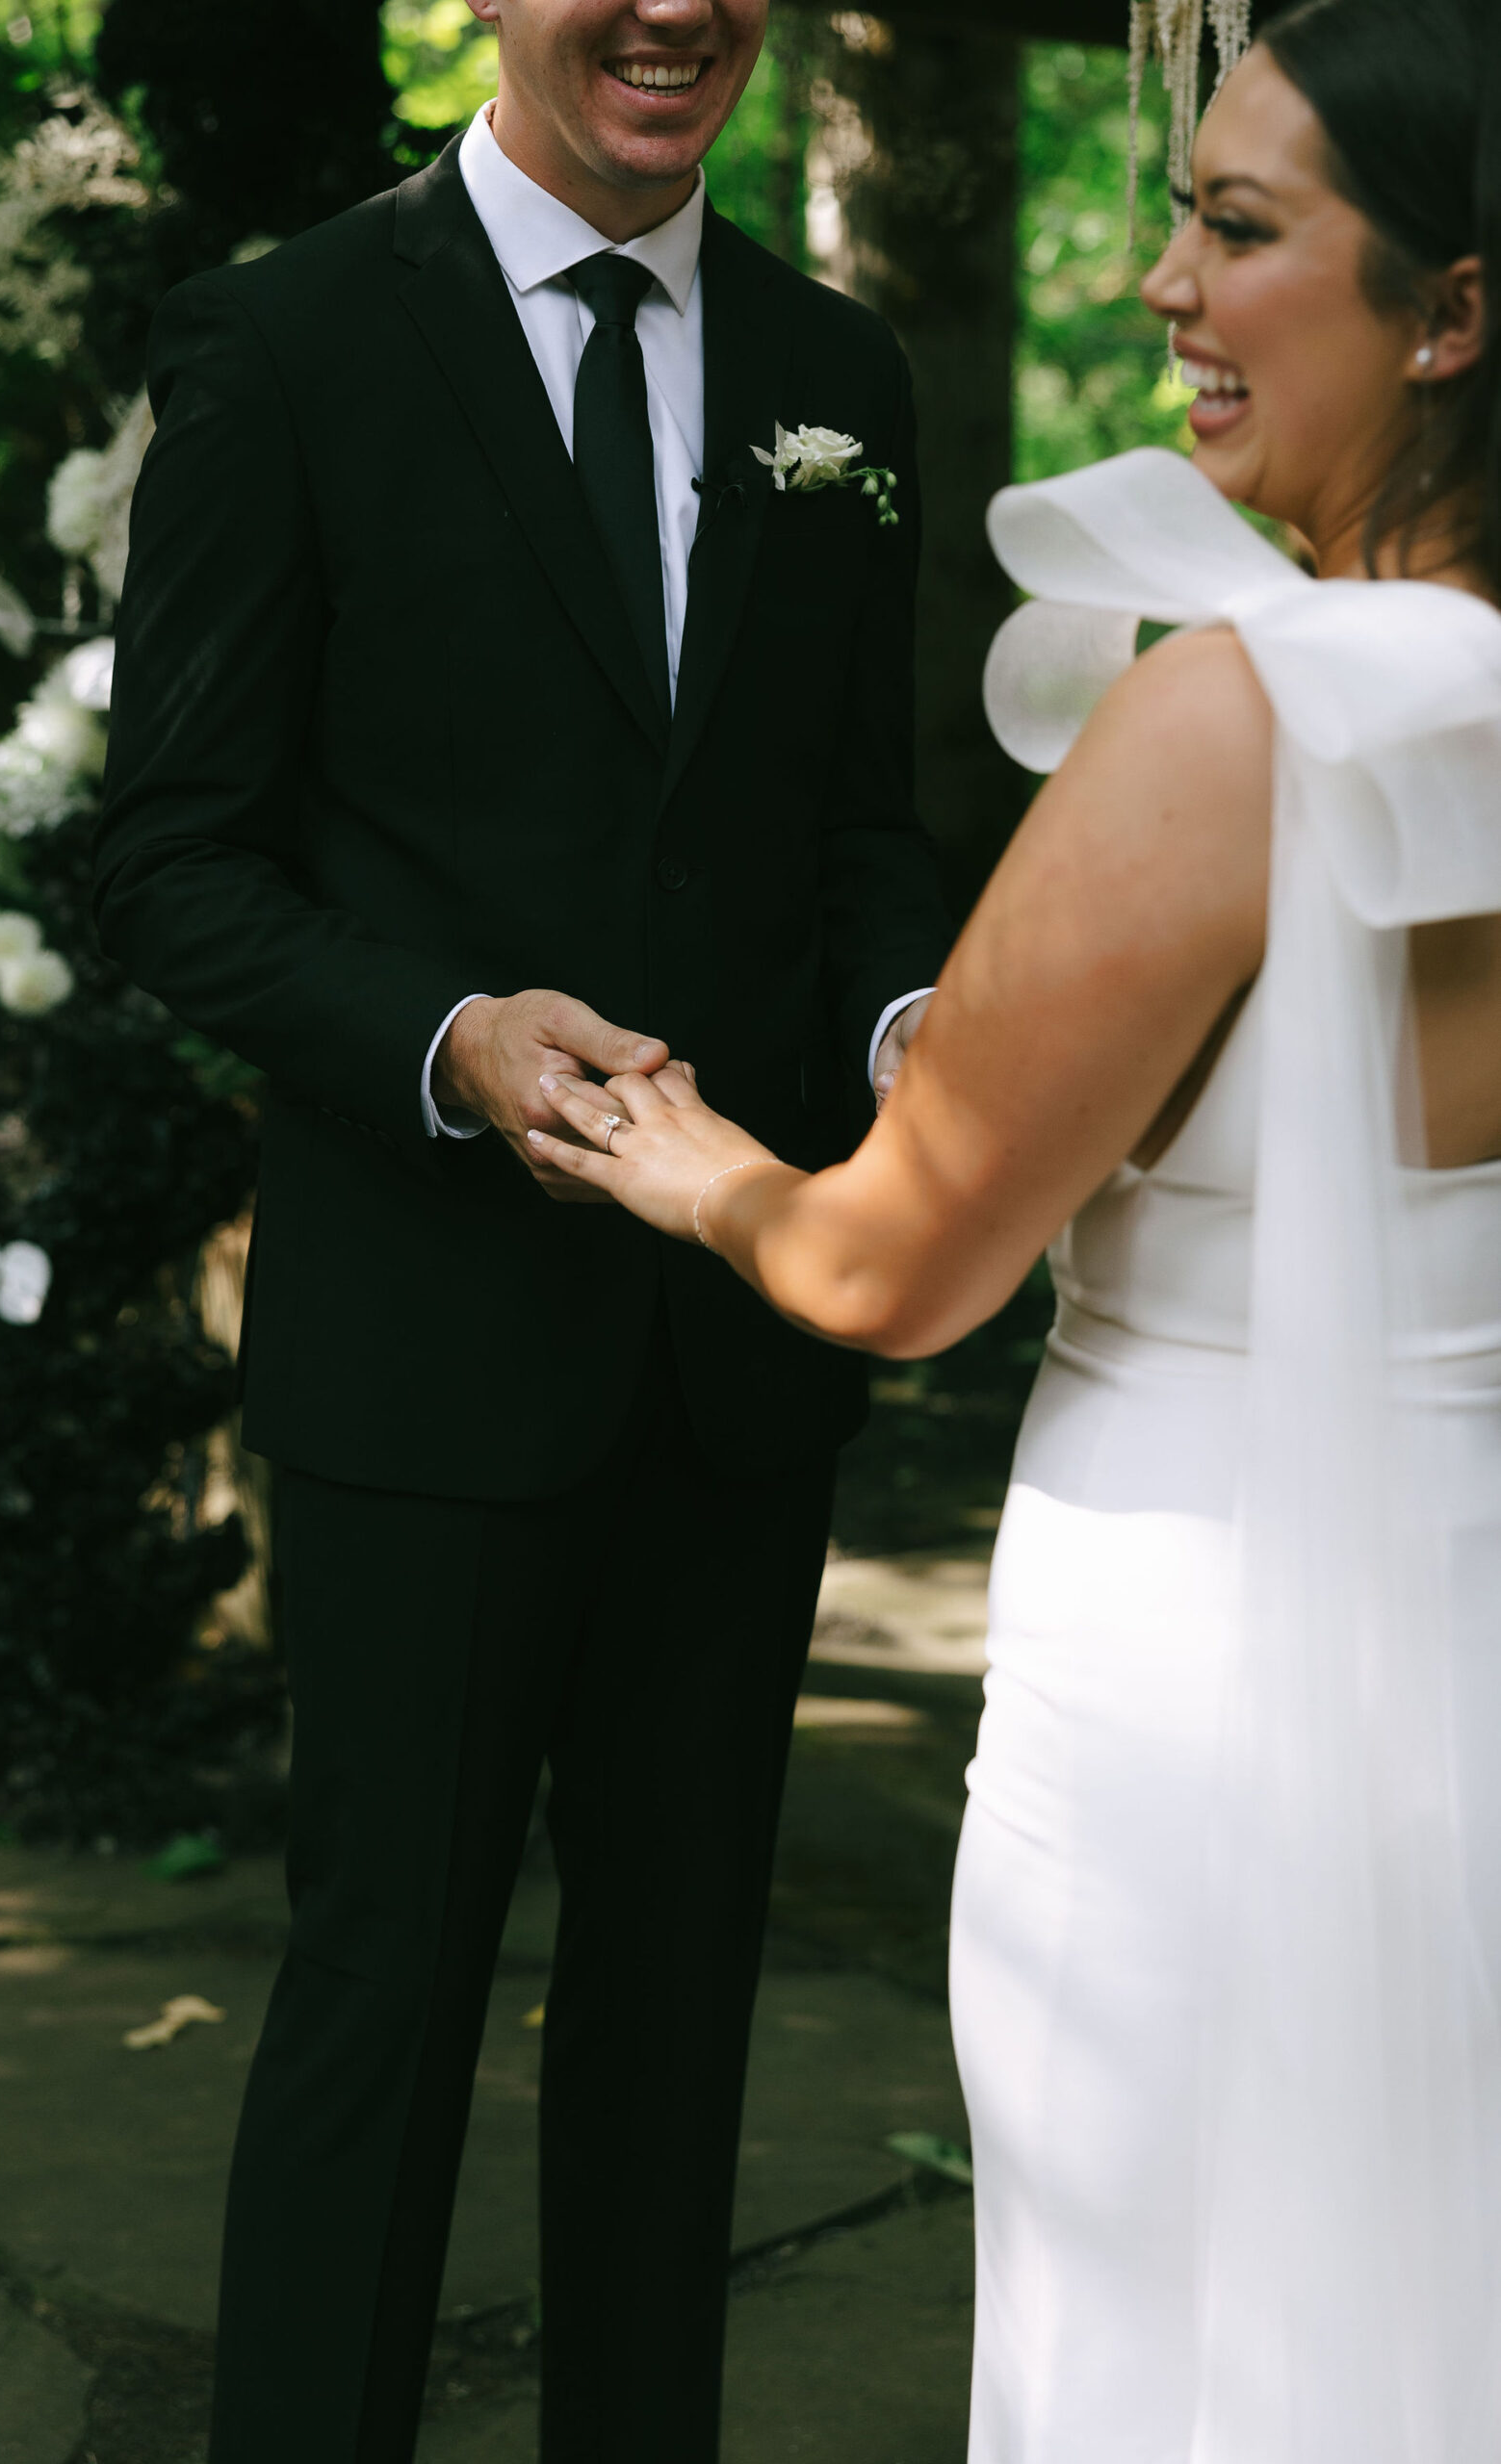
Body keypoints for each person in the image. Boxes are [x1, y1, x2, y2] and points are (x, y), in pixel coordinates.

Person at [529, 2, 1501, 2453]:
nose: (1167, 282)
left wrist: (686, 1162)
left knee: (1163, 2326)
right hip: (1460, 1661)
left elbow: (894, 1264)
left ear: (1454, 306)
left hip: (1199, 1672)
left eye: (1239, 225)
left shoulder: (1238, 716)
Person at [92, 0, 948, 2450]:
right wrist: (449, 1032)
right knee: (382, 2005)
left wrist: (913, 1038)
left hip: (734, 1344)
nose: (669, 11)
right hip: (424, 1344)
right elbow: (173, 861)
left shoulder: (831, 372)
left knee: (681, 2021)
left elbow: (851, 828)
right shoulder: (282, 341)